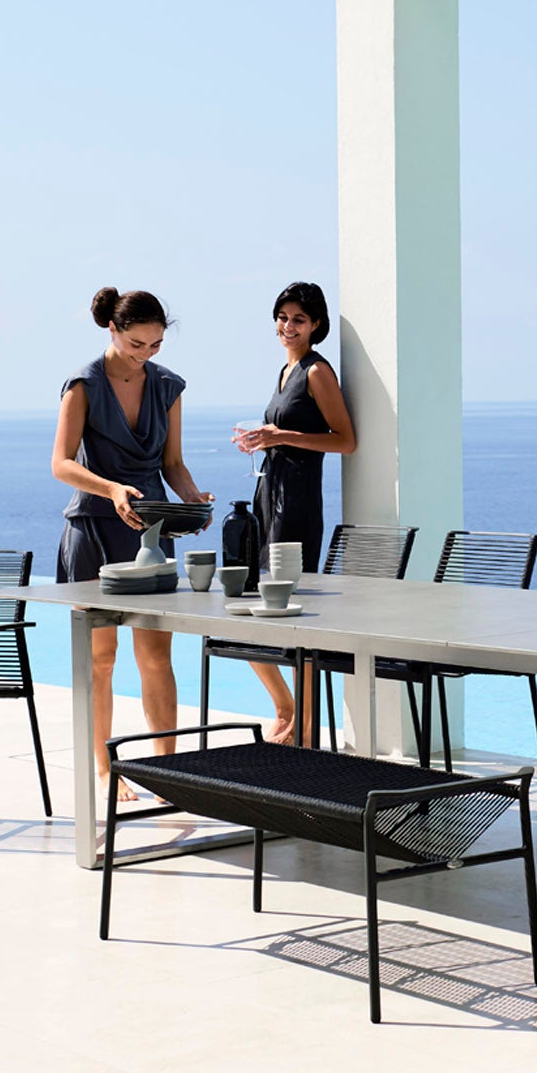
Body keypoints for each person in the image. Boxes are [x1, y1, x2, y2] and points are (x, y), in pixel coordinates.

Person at [52, 286, 212, 800]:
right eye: (136, 344)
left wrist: (191, 499)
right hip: (94, 530)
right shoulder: (83, 384)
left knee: (156, 656)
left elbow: (172, 465)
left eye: (156, 345)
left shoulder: (169, 386)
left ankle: (167, 774)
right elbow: (61, 463)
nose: (145, 354)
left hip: (150, 533)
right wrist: (112, 487)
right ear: (113, 330)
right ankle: (104, 767)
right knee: (100, 659)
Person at [233, 281, 356, 742]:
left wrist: (281, 437)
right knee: (245, 607)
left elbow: (345, 440)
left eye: (298, 319)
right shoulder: (286, 370)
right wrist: (259, 438)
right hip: (271, 493)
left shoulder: (317, 372)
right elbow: (283, 430)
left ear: (316, 324)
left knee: (287, 612)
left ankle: (303, 723)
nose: (288, 326)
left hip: (298, 503)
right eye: (283, 317)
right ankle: (287, 706)